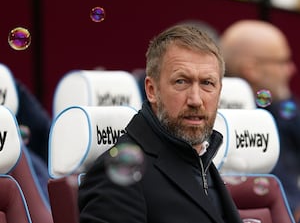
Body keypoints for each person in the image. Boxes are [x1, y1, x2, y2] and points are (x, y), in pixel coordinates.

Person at [78, 24, 243, 223]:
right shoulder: (117, 174)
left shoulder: (201, 160)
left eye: (207, 83)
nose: (196, 99)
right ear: (151, 90)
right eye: (181, 81)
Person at [220, 19, 300, 221]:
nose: (291, 69)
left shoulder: (282, 108)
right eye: (282, 61)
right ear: (251, 69)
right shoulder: (225, 122)